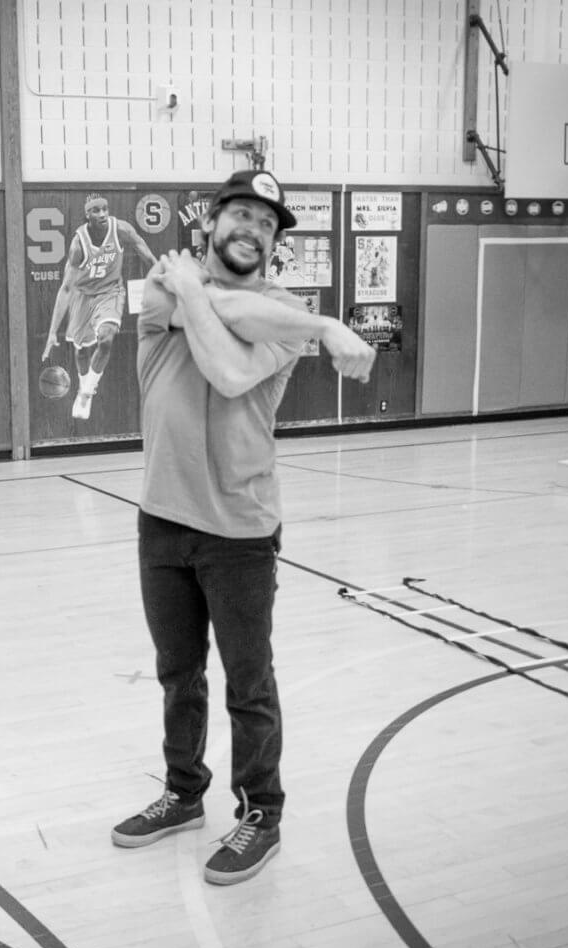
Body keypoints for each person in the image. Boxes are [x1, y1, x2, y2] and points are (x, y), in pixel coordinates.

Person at [112, 170, 376, 886]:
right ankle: (183, 794)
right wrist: (313, 325)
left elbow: (229, 370)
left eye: (266, 223)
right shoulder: (165, 286)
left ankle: (261, 812)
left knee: (248, 682)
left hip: (241, 529)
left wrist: (309, 320)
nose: (252, 230)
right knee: (178, 674)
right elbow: (219, 326)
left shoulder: (280, 313)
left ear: (274, 242)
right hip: (162, 519)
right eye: (240, 215)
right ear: (210, 224)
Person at [40, 193, 157, 420]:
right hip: (83, 296)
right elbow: (66, 289)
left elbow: (147, 255)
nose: (102, 213)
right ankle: (84, 386)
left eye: (105, 209)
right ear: (87, 215)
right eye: (96, 210)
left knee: (106, 338)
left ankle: (86, 391)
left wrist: (160, 282)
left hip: (110, 292)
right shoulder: (78, 245)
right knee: (82, 350)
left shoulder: (121, 230)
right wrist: (53, 332)